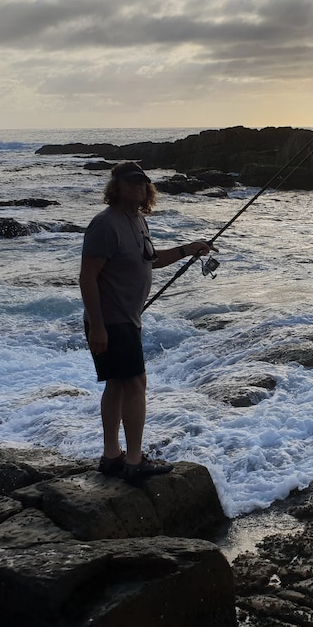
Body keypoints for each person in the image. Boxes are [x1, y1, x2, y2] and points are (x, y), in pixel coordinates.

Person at [78, 161, 214, 481]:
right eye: (130, 183)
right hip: (111, 321)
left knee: (117, 384)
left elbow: (150, 261)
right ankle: (135, 461)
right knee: (136, 384)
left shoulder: (137, 220)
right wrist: (97, 326)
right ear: (116, 187)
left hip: (126, 318)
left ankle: (112, 456)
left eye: (142, 183)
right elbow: (87, 277)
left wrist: (187, 249)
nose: (137, 188)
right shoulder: (105, 224)